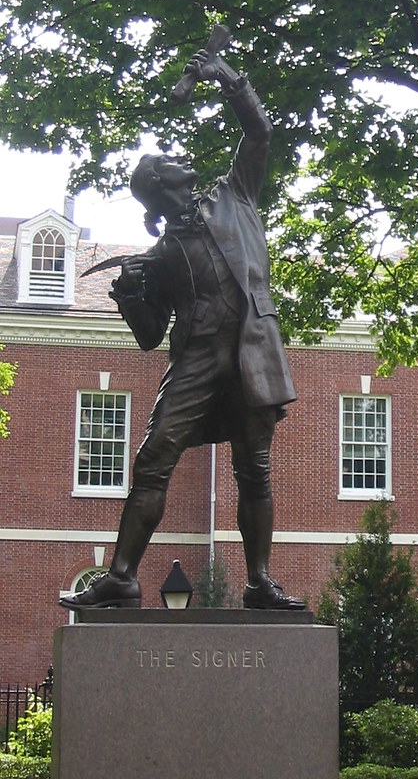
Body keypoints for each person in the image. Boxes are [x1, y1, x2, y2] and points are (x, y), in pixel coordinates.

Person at [60, 45, 304, 611]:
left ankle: (259, 581)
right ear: (158, 183)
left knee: (254, 467)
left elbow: (259, 132)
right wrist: (128, 295)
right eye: (167, 158)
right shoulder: (160, 254)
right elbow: (150, 336)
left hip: (250, 351)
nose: (177, 156)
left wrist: (228, 78)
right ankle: (122, 577)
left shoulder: (233, 195)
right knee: (152, 459)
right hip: (196, 358)